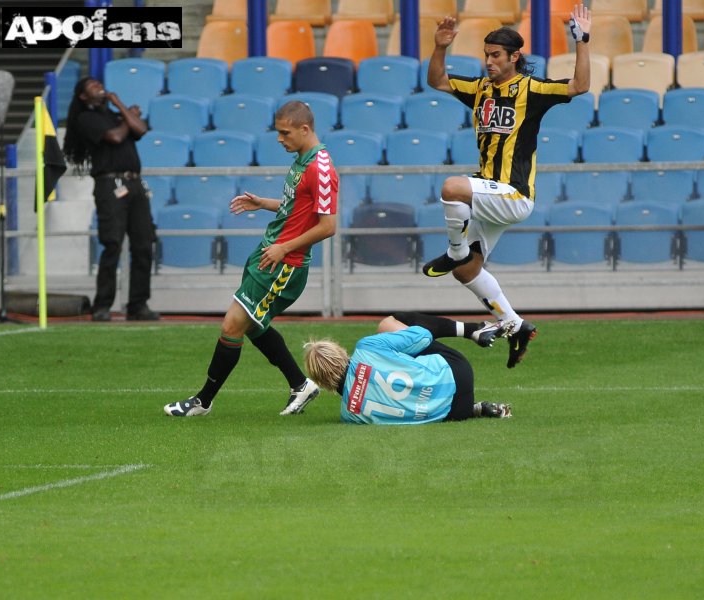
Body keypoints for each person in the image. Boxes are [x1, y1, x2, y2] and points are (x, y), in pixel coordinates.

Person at [421, 4, 592, 369]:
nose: (489, 62)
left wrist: (582, 41)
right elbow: (437, 80)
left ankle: (454, 251)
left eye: (495, 55)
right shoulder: (480, 88)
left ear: (515, 56)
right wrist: (440, 46)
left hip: (513, 194)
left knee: (452, 187)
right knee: (467, 271)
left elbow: (580, 85)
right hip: (489, 195)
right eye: (486, 55)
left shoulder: (531, 89)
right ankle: (515, 325)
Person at [164, 101, 338, 417]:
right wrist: (264, 203)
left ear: (304, 129)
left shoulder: (321, 168)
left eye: (285, 133)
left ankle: (202, 402)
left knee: (233, 324)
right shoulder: (303, 160)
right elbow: (295, 209)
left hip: (284, 263)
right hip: (269, 254)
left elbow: (328, 226)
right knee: (253, 324)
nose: (279, 139)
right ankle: (300, 384)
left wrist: (285, 249)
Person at [63, 77, 159, 322]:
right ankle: (102, 305)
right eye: (92, 85)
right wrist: (126, 113)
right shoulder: (87, 118)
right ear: (84, 96)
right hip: (109, 184)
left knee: (143, 244)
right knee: (112, 244)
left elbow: (141, 129)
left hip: (135, 184)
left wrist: (122, 108)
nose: (99, 87)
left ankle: (138, 304)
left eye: (99, 83)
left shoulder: (116, 115)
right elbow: (116, 137)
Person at [303, 312, 513, 425]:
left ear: (322, 382)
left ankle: (475, 408)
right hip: (458, 372)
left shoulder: (349, 414)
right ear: (340, 352)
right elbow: (423, 336)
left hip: (453, 412)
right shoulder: (365, 348)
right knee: (389, 324)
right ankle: (473, 330)